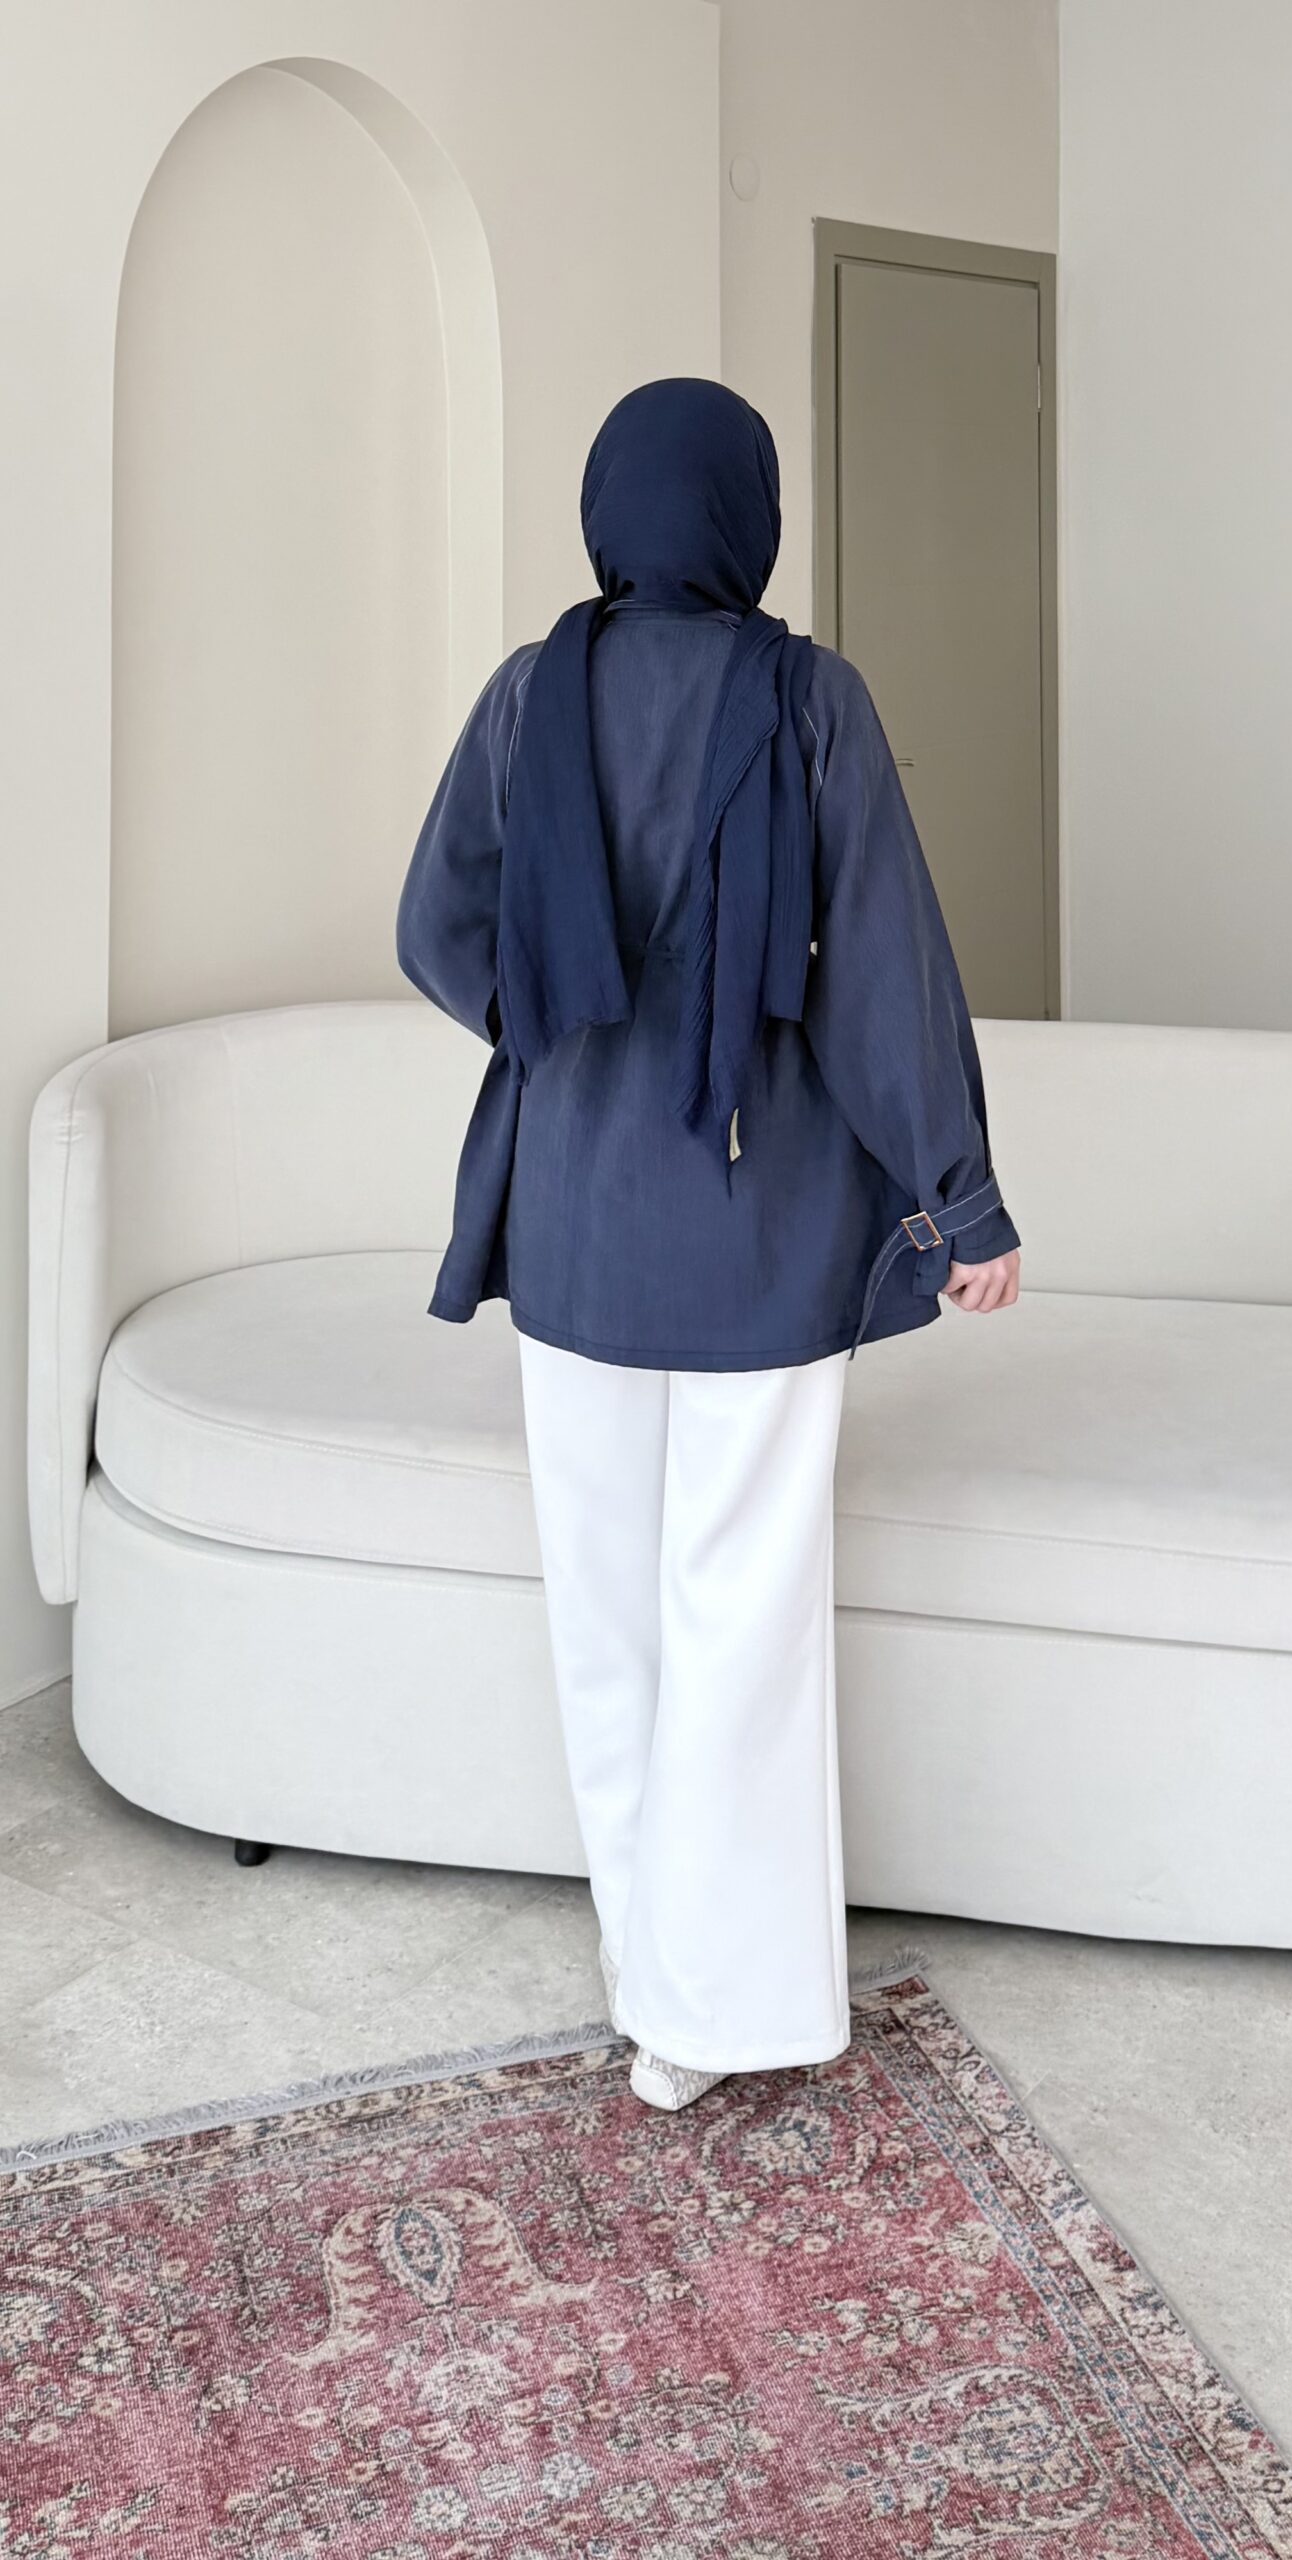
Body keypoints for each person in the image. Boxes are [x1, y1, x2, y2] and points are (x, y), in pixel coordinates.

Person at [395, 376, 1021, 2112]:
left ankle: (642, 1978)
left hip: (575, 1227)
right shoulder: (813, 697)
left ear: (610, 511)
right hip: (762, 1230)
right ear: (749, 517)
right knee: (739, 1616)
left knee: (606, 1620)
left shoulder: (530, 693)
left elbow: (434, 924)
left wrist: (555, 1014)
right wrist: (961, 1201)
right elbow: (886, 973)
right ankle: (714, 2010)